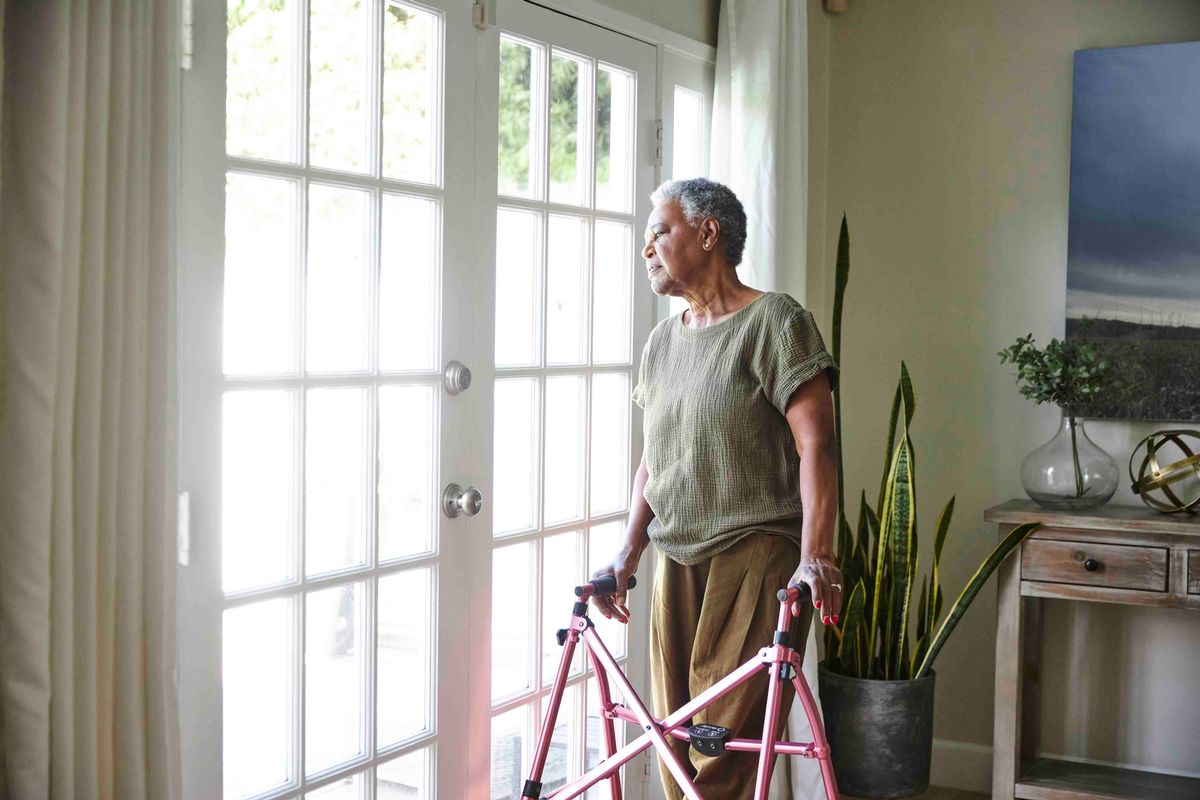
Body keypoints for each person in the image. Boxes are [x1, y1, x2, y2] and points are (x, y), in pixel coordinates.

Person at [590, 178, 843, 800]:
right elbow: (657, 457)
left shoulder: (777, 322)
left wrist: (817, 556)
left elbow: (818, 445)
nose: (646, 249)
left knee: (721, 745)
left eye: (660, 232)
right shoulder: (662, 342)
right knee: (672, 739)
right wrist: (628, 551)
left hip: (756, 550)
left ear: (708, 233)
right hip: (676, 556)